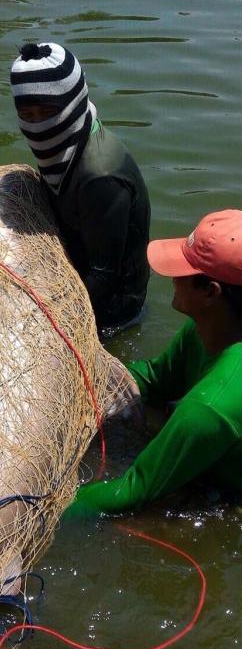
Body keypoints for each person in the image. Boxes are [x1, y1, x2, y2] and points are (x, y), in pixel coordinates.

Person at [65, 210, 242, 516]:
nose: (173, 277)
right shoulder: (208, 329)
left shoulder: (209, 407)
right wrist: (86, 382)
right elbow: (157, 378)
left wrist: (42, 509)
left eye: (184, 272)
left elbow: (132, 491)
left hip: (223, 493)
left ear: (211, 293)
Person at [10, 42, 151, 336]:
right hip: (79, 268)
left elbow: (104, 277)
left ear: (73, 103)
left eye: (47, 111)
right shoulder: (67, 148)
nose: (37, 125)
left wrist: (39, 323)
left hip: (112, 312)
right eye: (28, 115)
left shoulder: (100, 177)